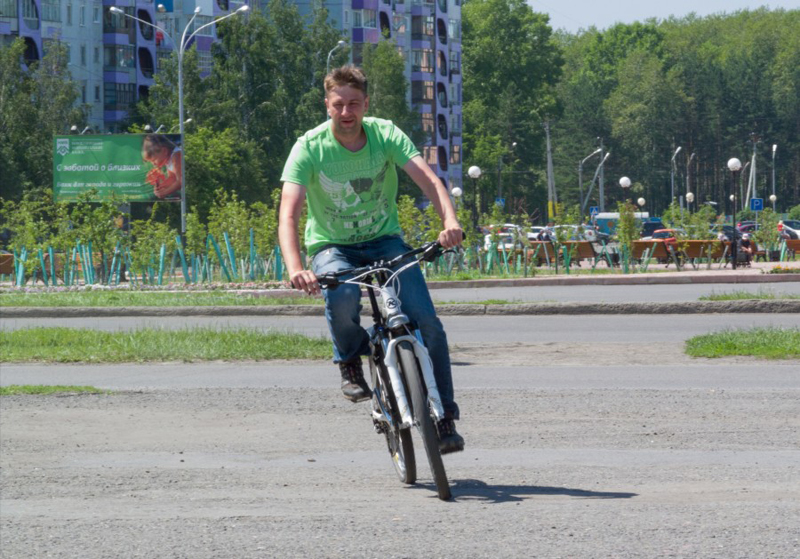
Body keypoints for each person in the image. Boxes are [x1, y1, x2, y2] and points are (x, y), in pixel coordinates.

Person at [278, 65, 464, 453]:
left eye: (354, 104)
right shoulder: (309, 147)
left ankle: (444, 416)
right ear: (327, 105)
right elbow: (289, 213)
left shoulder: (384, 134)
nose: (347, 112)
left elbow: (429, 181)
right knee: (342, 293)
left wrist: (449, 220)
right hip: (333, 245)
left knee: (427, 323)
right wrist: (297, 268)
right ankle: (349, 360)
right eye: (338, 104)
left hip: (385, 241)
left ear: (365, 104)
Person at [141, 134, 182, 199]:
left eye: (154, 160)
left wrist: (165, 192)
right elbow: (172, 177)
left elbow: (181, 181)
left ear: (164, 151)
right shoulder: (167, 160)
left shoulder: (177, 156)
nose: (153, 164)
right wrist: (160, 187)